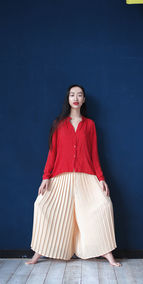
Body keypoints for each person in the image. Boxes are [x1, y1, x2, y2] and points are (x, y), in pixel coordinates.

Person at [26, 84, 121, 267]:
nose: (76, 98)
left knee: (104, 205)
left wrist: (101, 179)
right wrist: (46, 177)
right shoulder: (58, 124)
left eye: (79, 95)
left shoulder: (90, 125)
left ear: (83, 99)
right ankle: (38, 252)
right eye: (72, 95)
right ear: (68, 99)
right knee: (41, 206)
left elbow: (94, 154)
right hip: (61, 177)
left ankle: (107, 253)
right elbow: (52, 153)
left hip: (86, 178)